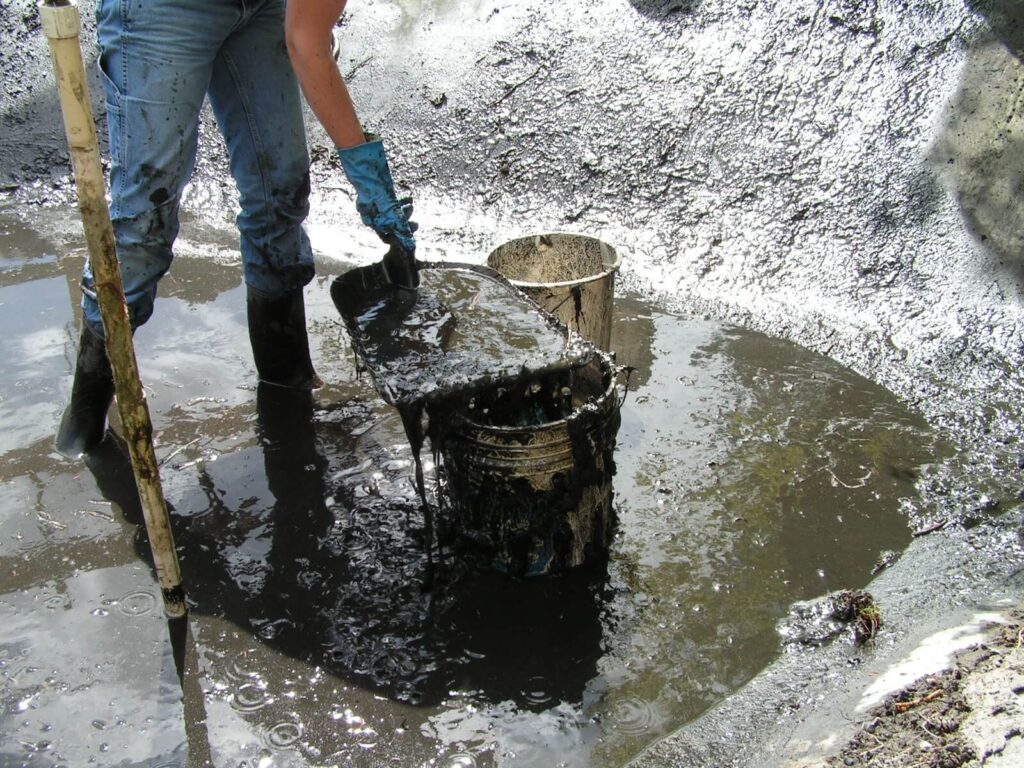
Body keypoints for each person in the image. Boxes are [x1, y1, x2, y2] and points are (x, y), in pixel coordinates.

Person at [56, 0, 417, 458]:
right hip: (163, 9)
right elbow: (308, 48)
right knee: (145, 218)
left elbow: (306, 34)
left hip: (263, 7)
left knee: (280, 190)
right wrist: (363, 168)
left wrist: (370, 175)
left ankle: (288, 387)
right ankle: (84, 428)